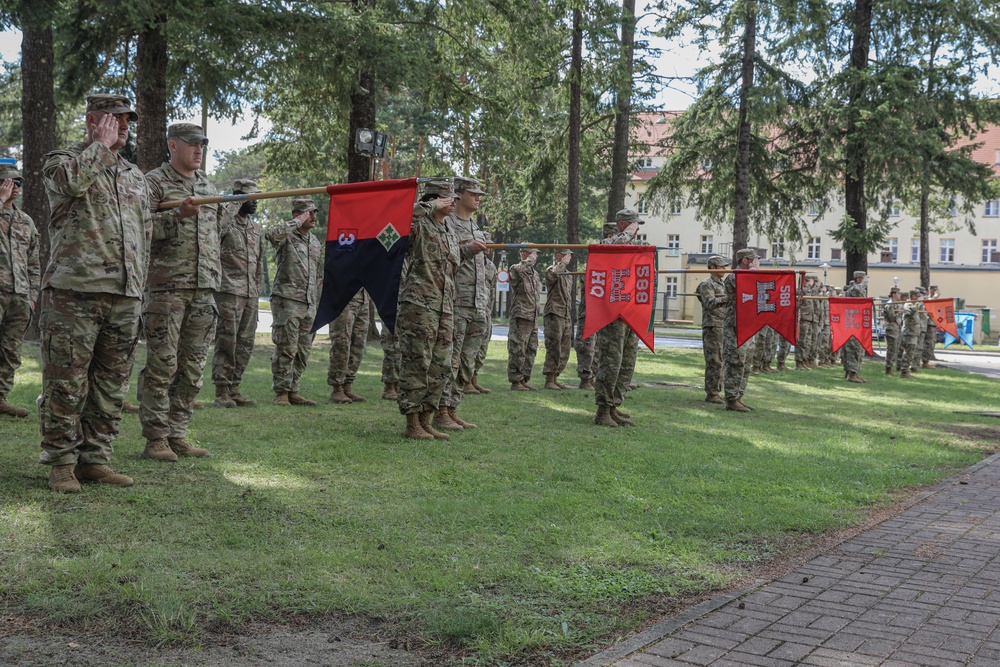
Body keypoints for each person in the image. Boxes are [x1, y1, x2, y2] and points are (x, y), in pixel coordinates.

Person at [38, 93, 150, 492]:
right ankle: (61, 463)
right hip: (75, 290)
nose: (124, 126)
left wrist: (138, 286)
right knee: (66, 383)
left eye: (127, 120)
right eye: (115, 118)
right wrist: (99, 147)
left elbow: (143, 234)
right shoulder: (61, 161)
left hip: (125, 294)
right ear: (92, 119)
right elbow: (69, 184)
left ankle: (95, 460)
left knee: (111, 384)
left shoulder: (134, 175)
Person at [138, 123, 225, 462]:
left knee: (192, 367)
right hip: (166, 288)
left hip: (204, 288)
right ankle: (155, 438)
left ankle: (177, 433)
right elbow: (139, 228)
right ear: (173, 145)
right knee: (163, 365)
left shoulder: (208, 186)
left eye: (203, 143)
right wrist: (177, 215)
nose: (199, 149)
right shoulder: (153, 183)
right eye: (192, 144)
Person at [395, 178, 485, 440]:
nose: (452, 204)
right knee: (417, 363)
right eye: (448, 199)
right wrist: (426, 207)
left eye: (454, 199)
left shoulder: (448, 230)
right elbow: (394, 225)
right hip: (419, 304)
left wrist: (469, 250)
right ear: (434, 199)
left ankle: (426, 419)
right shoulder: (419, 223)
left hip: (445, 306)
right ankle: (412, 423)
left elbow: (452, 261)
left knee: (440, 366)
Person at [437, 176, 490, 429]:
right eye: (473, 193)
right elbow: (441, 257)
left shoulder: (476, 229)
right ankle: (441, 410)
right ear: (458, 195)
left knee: (468, 362)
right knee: (452, 361)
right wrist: (468, 249)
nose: (478, 198)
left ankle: (453, 408)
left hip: (478, 304)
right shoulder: (446, 224)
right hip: (456, 302)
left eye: (480, 194)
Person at [212, 178, 264, 408]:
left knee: (245, 342)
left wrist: (257, 287)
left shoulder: (255, 227)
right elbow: (215, 231)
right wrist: (231, 204)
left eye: (256, 197)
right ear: (238, 197)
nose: (255, 202)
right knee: (227, 341)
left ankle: (234, 386)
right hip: (228, 290)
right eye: (250, 197)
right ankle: (222, 390)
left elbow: (259, 262)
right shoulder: (225, 221)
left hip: (250, 292)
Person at [267, 198, 323, 406]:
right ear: (297, 215)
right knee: (286, 347)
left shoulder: (315, 242)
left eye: (314, 212)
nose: (314, 217)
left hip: (309, 302)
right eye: (309, 213)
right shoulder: (287, 236)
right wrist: (296, 222)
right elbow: (271, 236)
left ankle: (293, 389)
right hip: (288, 299)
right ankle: (281, 392)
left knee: (303, 349)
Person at [594, 209, 644, 427]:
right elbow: (608, 248)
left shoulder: (631, 247)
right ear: (623, 224)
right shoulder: (609, 243)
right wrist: (626, 235)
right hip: (612, 313)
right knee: (611, 362)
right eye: (634, 225)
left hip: (631, 311)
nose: (637, 229)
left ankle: (614, 405)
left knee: (626, 361)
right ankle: (602, 410)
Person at [0, 166, 39, 418]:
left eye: (18, 181)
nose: (14, 185)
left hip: (19, 296)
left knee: (10, 350)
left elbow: (34, 262)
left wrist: (32, 298)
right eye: (8, 181)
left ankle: (0, 398)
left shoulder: (25, 221)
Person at [722, 248, 759, 412]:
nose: (756, 263)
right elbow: (746, 286)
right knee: (735, 362)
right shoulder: (733, 277)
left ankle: (738, 397)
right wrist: (754, 272)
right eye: (753, 260)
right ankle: (731, 398)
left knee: (746, 364)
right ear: (745, 260)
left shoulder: (750, 275)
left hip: (749, 326)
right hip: (735, 327)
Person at [327, 289, 370, 404]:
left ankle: (347, 386)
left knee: (358, 345)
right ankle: (337, 388)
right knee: (341, 343)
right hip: (343, 297)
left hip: (363, 299)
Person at [507, 247, 541, 391]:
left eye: (536, 254)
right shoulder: (516, 269)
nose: (535, 257)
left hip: (533, 316)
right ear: (524, 254)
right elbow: (519, 270)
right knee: (518, 348)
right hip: (521, 315)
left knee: (530, 349)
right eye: (533, 254)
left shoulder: (535, 274)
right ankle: (516, 381)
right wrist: (529, 261)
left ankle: (524, 379)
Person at [696, 255, 728, 403]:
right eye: (722, 266)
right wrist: (727, 299)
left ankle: (717, 390)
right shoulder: (706, 284)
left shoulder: (723, 284)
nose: (725, 269)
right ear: (713, 268)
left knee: (722, 360)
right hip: (712, 325)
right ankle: (712, 392)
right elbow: (709, 302)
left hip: (723, 325)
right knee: (714, 360)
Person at [542, 249, 574, 390]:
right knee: (554, 347)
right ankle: (549, 379)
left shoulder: (568, 275)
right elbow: (552, 277)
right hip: (555, 313)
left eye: (570, 255)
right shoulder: (552, 270)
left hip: (566, 315)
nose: (569, 257)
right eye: (566, 254)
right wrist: (562, 263)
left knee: (565, 349)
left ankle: (555, 377)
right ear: (558, 256)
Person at [469, 254, 498, 394]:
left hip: (484, 309)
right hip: (470, 307)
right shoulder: (468, 261)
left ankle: (474, 379)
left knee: (482, 348)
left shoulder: (491, 266)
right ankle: (465, 381)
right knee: (469, 348)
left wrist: (489, 310)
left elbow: (492, 291)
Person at [899, 289, 923, 378]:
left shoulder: (913, 304)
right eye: (917, 296)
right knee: (908, 353)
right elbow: (911, 311)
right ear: (913, 296)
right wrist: (917, 305)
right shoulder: (908, 304)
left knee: (910, 353)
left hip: (913, 333)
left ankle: (906, 371)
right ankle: (904, 371)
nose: (918, 298)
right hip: (909, 333)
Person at [883, 287, 902, 375]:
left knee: (895, 349)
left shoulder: (896, 304)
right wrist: (900, 312)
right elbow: (892, 317)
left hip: (896, 329)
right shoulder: (889, 305)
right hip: (891, 329)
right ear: (893, 294)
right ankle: (888, 368)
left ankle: (891, 367)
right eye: (898, 293)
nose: (899, 295)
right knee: (891, 349)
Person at [922, 284, 940, 368]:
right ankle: (925, 361)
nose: (935, 292)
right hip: (927, 324)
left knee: (931, 342)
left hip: (932, 323)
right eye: (934, 290)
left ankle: (927, 360)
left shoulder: (934, 299)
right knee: (927, 343)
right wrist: (936, 296)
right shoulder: (927, 298)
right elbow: (929, 303)